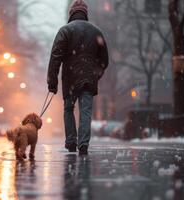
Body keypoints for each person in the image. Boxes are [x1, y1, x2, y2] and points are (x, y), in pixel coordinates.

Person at [47, 0, 109, 155]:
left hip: (70, 80)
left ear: (71, 14)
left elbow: (55, 57)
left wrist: (52, 82)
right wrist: (96, 74)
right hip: (88, 80)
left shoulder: (65, 31)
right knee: (86, 111)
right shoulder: (97, 32)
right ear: (85, 13)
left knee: (69, 109)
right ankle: (83, 144)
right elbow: (104, 60)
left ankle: (71, 141)